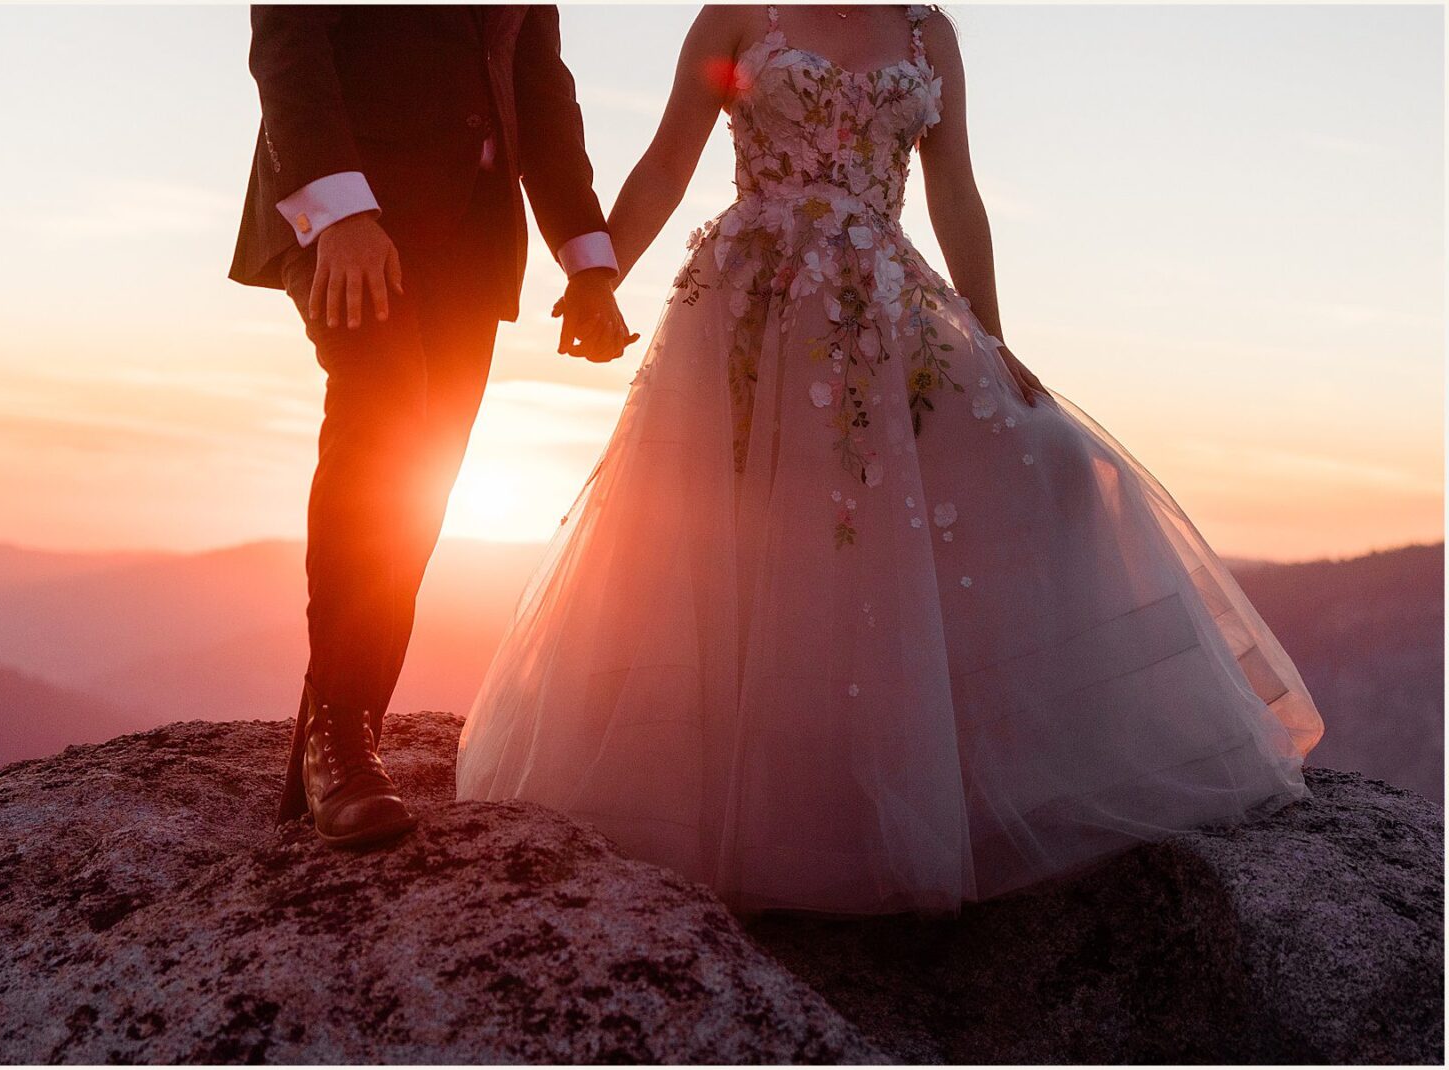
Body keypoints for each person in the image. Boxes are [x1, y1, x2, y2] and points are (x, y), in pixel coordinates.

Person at [456, 4, 1325, 915]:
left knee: (1059, 461)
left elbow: (957, 195)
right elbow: (668, 165)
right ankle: (758, 802)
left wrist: (991, 338)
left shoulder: (926, 33)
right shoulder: (737, 17)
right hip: (751, 305)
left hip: (887, 304)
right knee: (755, 539)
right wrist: (597, 280)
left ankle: (1007, 763)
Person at [229, 5, 633, 847]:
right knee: (381, 415)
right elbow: (290, 32)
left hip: (474, 234)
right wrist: (341, 215)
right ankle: (342, 744)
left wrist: (588, 262)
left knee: (423, 485)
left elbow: (539, 85)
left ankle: (333, 746)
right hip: (350, 213)